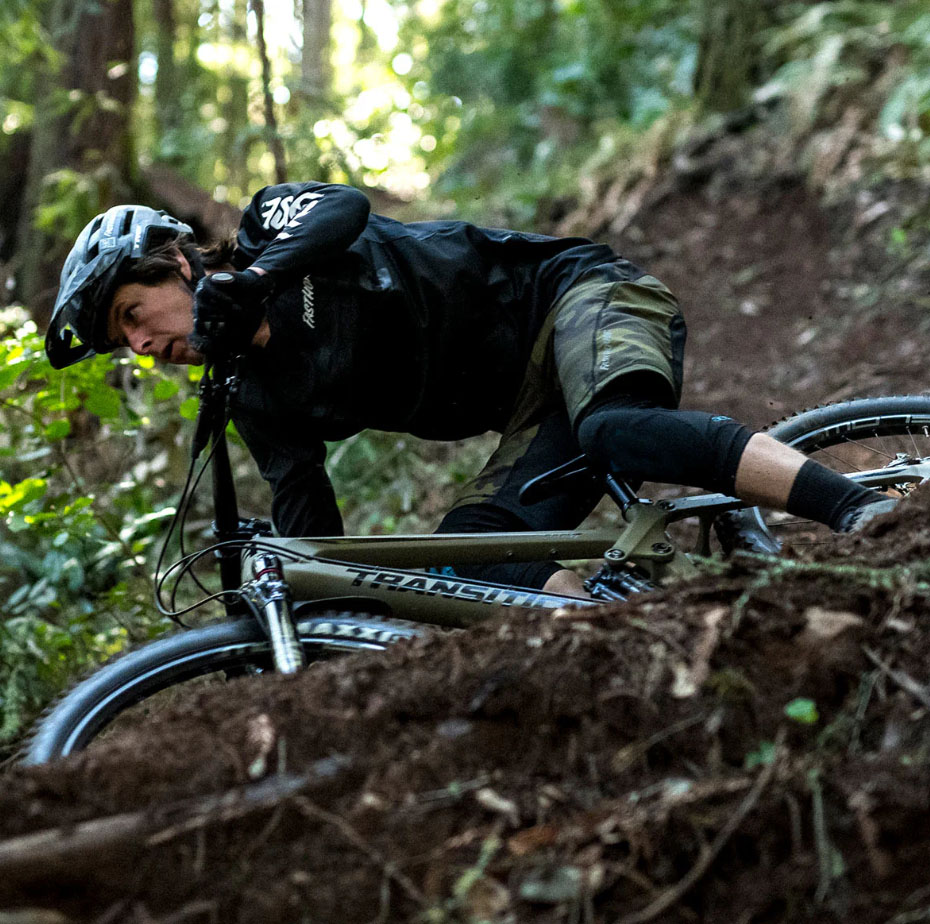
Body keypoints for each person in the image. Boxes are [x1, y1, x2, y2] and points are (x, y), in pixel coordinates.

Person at [46, 185, 895, 597]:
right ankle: (626, 628)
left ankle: (862, 510)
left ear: (176, 261)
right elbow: (310, 524)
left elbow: (343, 210)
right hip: (532, 406)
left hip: (577, 297)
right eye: (124, 343)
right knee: (470, 558)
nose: (141, 345)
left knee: (614, 427)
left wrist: (261, 279)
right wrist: (302, 602)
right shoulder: (257, 395)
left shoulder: (273, 229)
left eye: (132, 314)